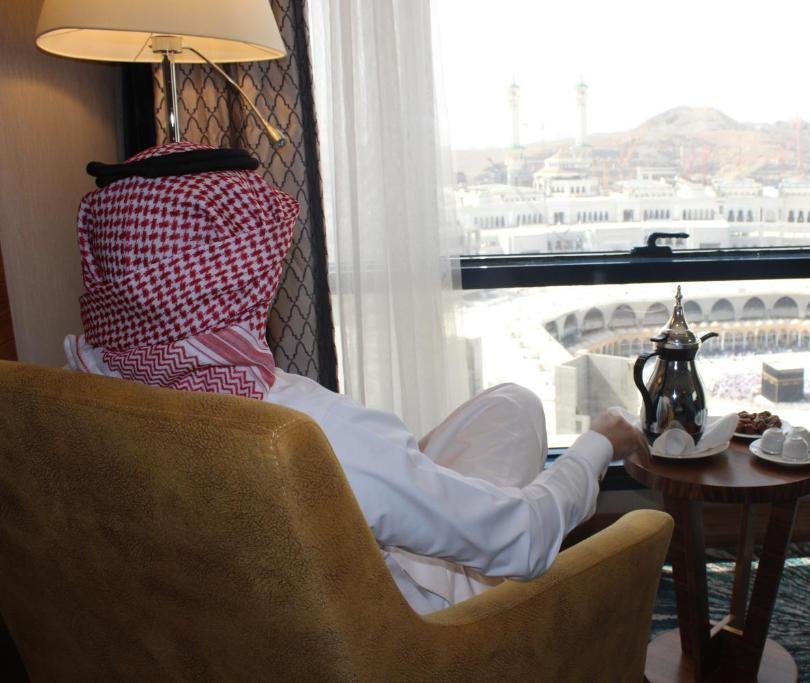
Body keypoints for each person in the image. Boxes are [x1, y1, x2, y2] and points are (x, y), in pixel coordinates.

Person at [64, 142, 649, 614]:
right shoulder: (304, 432)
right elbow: (523, 540)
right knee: (499, 510)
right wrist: (599, 444)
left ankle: (424, 496)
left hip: (228, 628)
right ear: (240, 271)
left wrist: (398, 469)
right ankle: (435, 507)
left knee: (514, 404)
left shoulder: (80, 391)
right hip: (408, 637)